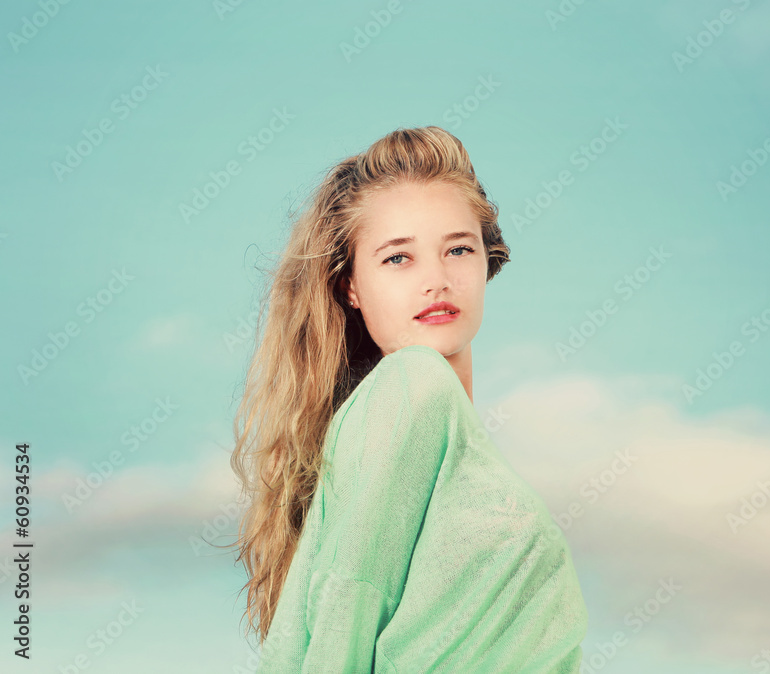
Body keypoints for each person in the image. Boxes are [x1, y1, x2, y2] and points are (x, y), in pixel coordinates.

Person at [229, 126, 588, 672]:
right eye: (399, 258)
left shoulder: (435, 435)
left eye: (458, 249)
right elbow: (347, 607)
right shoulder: (413, 387)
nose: (437, 279)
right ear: (350, 285)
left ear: (487, 260)